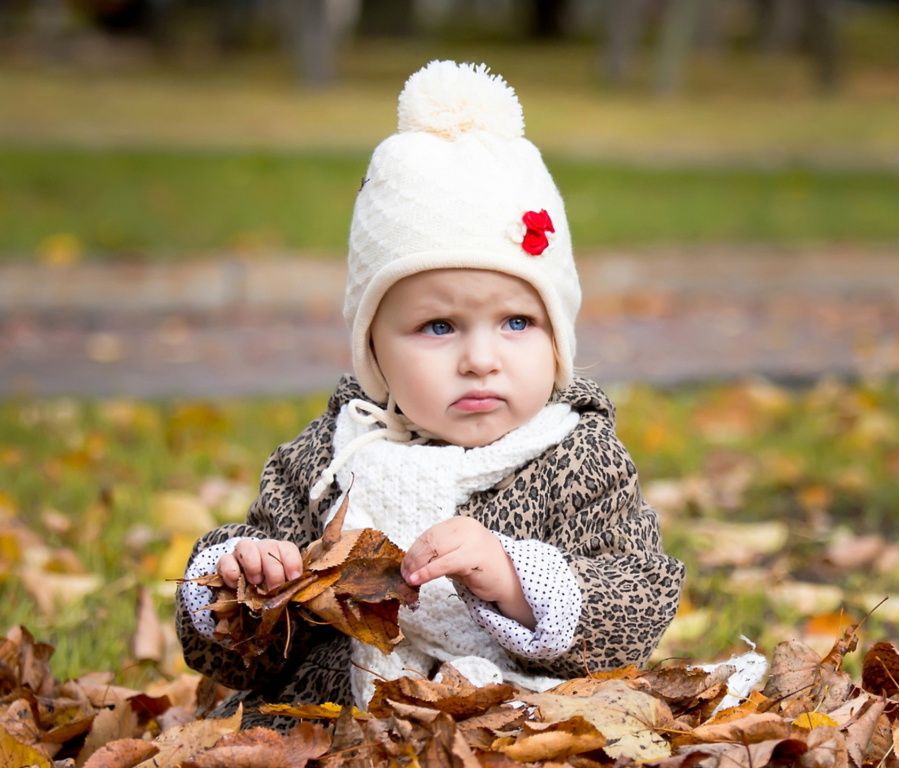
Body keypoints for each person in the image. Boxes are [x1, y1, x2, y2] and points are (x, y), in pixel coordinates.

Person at [175, 61, 687, 730]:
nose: (480, 359)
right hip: (338, 721)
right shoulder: (331, 458)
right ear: (376, 352)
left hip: (517, 719)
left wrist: (515, 580)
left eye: (517, 322)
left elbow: (637, 601)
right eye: (438, 326)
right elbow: (241, 664)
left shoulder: (576, 457)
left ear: (558, 341)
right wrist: (246, 585)